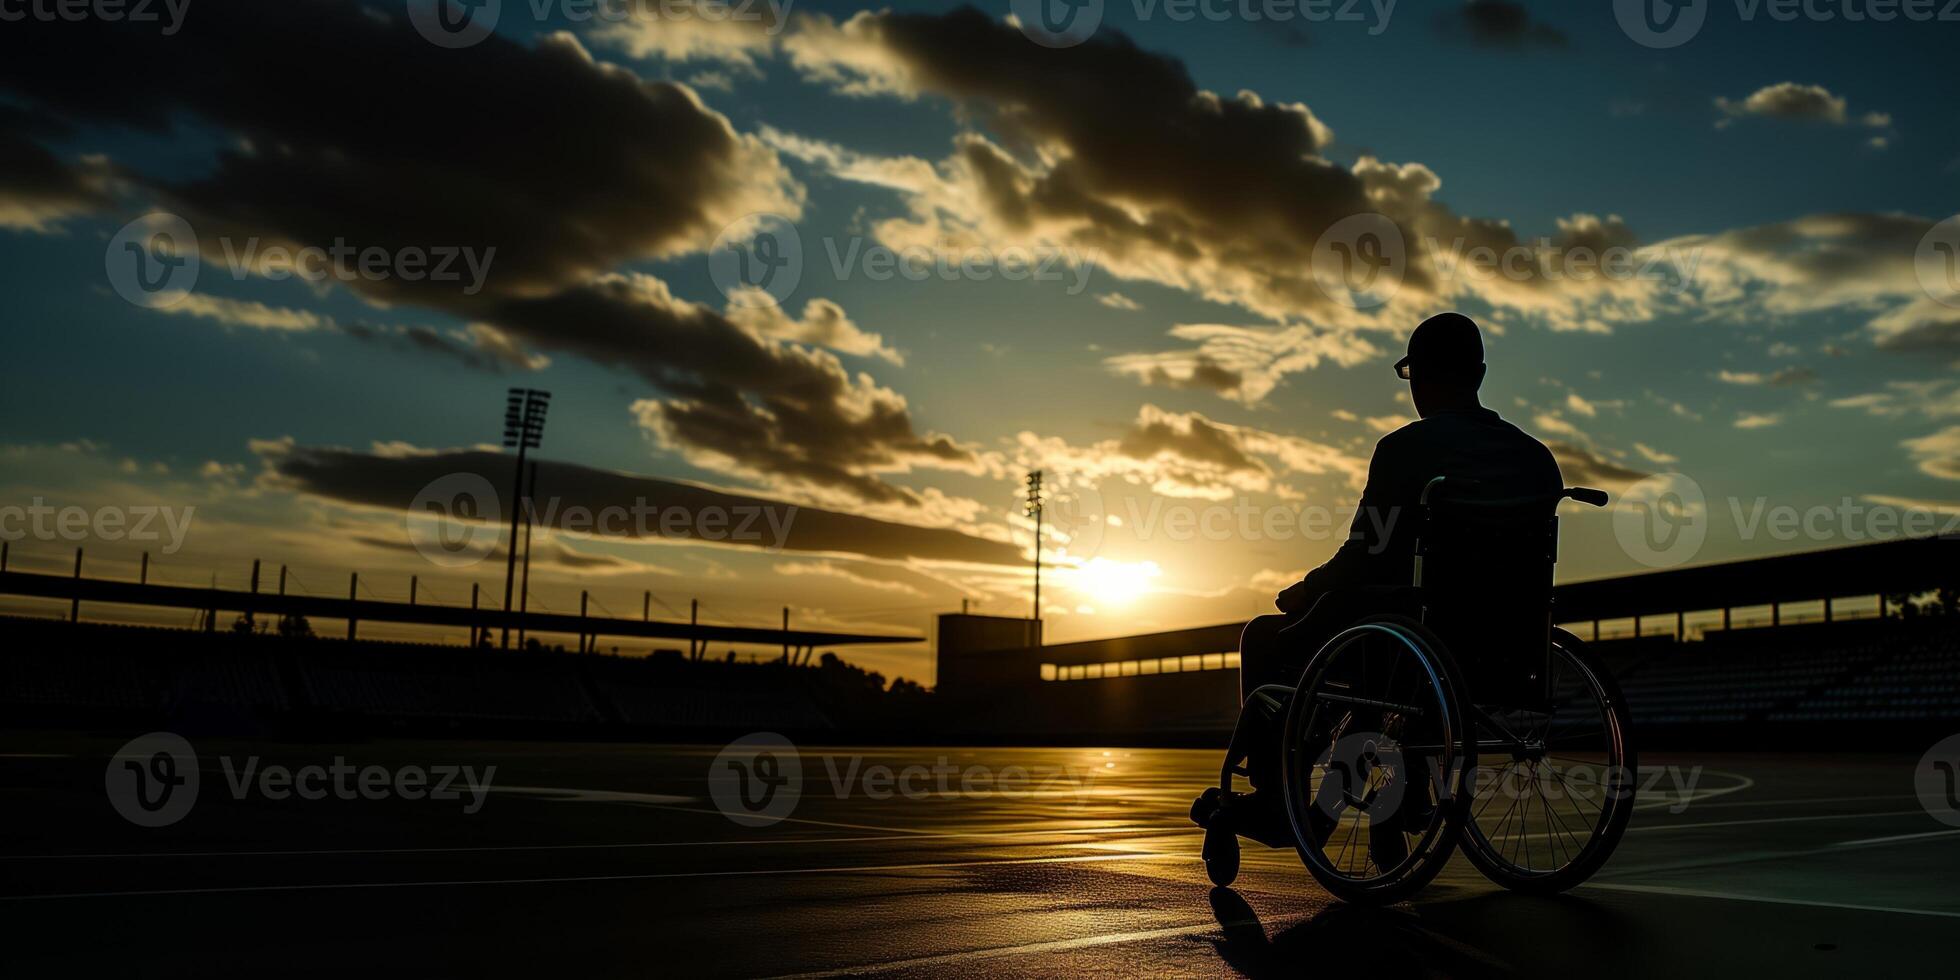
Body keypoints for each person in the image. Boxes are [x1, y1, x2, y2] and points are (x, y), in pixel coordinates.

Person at [1194, 311, 1562, 854]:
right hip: (1506, 645)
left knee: (1267, 638)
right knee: (1384, 649)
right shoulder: (1538, 461)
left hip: (1413, 641)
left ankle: (1278, 795)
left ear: (1419, 378)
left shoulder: (1404, 450)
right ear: (1479, 373)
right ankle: (1395, 783)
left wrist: (1305, 590)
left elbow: (1364, 556)